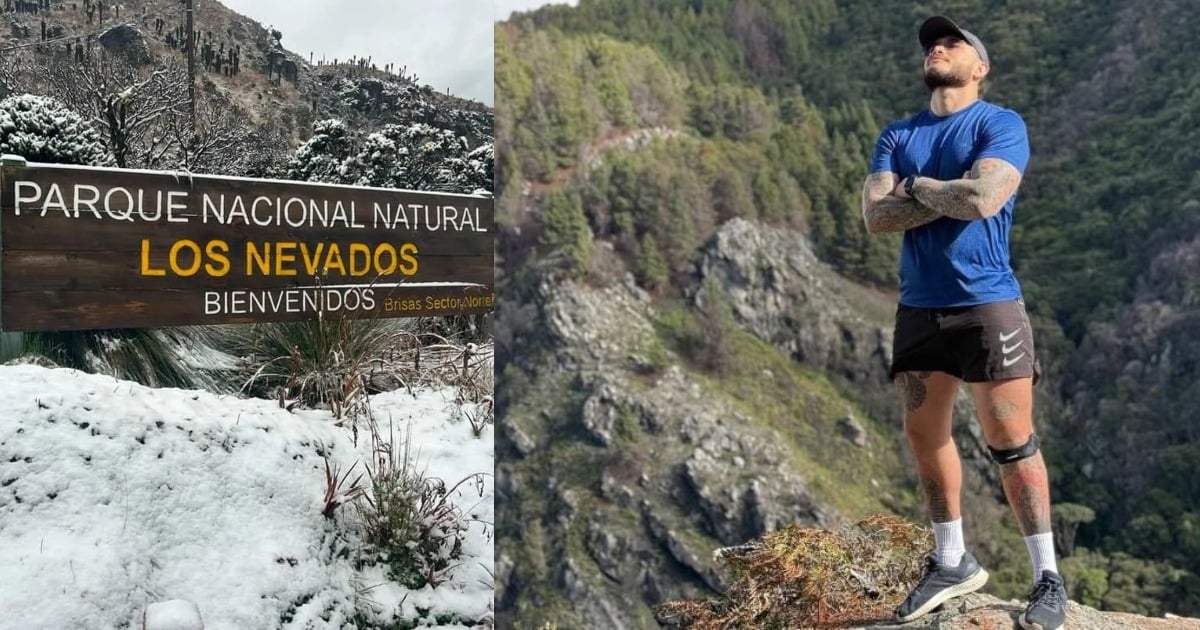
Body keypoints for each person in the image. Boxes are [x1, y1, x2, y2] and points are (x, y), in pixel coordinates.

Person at [860, 15, 1067, 630]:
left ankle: (1046, 576)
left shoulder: (1000, 123)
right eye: (931, 43)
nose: (938, 48)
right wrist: (943, 191)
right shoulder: (896, 133)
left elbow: (983, 200)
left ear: (980, 67)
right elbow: (876, 218)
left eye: (952, 43)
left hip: (988, 302)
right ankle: (951, 561)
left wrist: (915, 188)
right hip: (919, 305)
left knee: (1010, 437)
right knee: (925, 433)